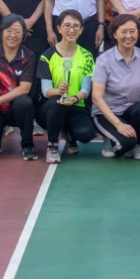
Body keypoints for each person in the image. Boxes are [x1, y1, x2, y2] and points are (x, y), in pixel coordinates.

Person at [91, 14, 140, 159]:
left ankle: (139, 146)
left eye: (132, 31)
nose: (128, 36)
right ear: (115, 34)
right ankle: (109, 139)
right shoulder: (104, 60)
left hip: (130, 111)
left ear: (138, 33)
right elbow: (96, 97)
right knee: (126, 143)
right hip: (106, 114)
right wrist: (118, 124)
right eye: (123, 31)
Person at [0, 14, 39, 160]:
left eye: (17, 31)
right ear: (1, 31)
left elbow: (24, 88)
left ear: (23, 34)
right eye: (9, 30)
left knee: (25, 102)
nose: (13, 35)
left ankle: (27, 145)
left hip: (16, 108)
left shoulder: (28, 55)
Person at [36, 9, 97, 164]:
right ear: (59, 28)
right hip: (51, 107)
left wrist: (75, 98)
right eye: (67, 25)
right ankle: (52, 145)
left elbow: (86, 89)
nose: (71, 30)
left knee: (86, 134)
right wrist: (58, 91)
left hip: (75, 105)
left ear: (81, 30)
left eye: (76, 26)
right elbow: (45, 90)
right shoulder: (47, 55)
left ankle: (68, 132)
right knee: (57, 104)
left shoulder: (87, 56)